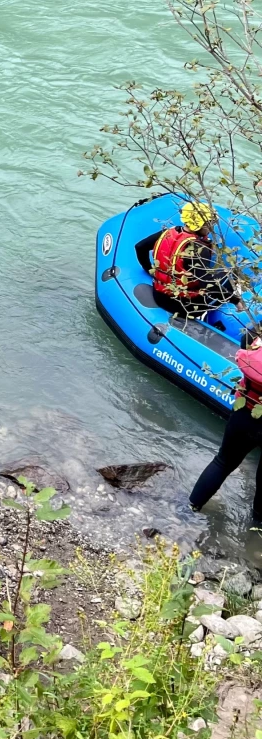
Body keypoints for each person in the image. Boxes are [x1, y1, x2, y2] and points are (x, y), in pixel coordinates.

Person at [189, 325, 262, 524]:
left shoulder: (253, 335)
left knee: (223, 462)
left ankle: (191, 508)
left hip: (244, 413)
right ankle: (255, 530)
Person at [135, 200, 239, 317]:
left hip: (159, 294)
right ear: (200, 225)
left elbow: (140, 247)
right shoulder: (198, 249)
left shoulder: (166, 233)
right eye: (209, 223)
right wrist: (236, 301)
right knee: (230, 275)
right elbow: (208, 285)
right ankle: (207, 314)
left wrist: (150, 271)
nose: (212, 226)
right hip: (184, 305)